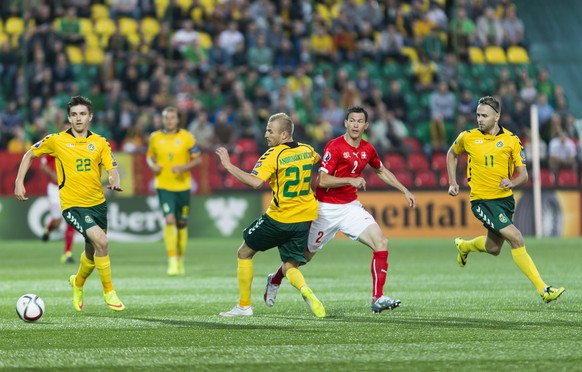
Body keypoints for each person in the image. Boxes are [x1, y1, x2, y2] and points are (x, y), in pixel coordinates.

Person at [264, 106, 417, 314]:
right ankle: (274, 279)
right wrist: (350, 180)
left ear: (366, 125)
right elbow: (322, 180)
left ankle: (378, 297)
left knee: (381, 242)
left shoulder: (367, 149)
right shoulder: (334, 147)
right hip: (325, 210)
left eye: (359, 121)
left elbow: (380, 169)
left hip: (350, 207)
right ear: (345, 123)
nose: (355, 124)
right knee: (301, 259)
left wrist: (404, 190)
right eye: (351, 120)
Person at [446, 96, 565, 303]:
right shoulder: (468, 137)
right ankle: (543, 289)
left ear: (497, 116)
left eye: (484, 115)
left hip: (505, 201)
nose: (479, 119)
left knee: (493, 248)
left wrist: (512, 182)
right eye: (477, 115)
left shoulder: (512, 140)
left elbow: (524, 175)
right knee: (516, 238)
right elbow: (451, 154)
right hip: (482, 200)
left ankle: (464, 246)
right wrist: (452, 182)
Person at [14, 96, 125, 311]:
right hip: (72, 205)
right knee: (102, 242)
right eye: (74, 114)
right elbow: (30, 154)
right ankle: (109, 290)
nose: (78, 118)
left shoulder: (100, 142)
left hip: (98, 205)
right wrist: (19, 181)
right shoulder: (57, 140)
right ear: (69, 117)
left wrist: (114, 179)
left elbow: (112, 169)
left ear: (90, 116)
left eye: (82, 114)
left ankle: (78, 282)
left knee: (92, 254)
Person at [216, 113, 325, 318]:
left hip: (279, 217)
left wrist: (229, 166)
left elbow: (256, 182)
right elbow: (321, 160)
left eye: (270, 131)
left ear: (284, 134)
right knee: (290, 265)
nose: (266, 134)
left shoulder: (273, 154)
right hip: (304, 218)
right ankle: (304, 289)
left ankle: (244, 306)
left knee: (244, 252)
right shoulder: (307, 150)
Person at [146, 106, 202, 276]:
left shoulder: (187, 137)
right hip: (164, 185)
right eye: (166, 117)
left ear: (178, 120)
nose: (169, 120)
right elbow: (149, 156)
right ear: (163, 120)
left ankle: (180, 259)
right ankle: (171, 260)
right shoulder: (155, 137)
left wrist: (184, 167)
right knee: (169, 220)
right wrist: (152, 166)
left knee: (181, 223)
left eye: (172, 117)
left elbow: (198, 159)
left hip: (183, 186)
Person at [40, 154, 77, 264]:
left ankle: (67, 254)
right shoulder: (56, 147)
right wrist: (53, 175)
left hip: (69, 188)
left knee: (71, 219)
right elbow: (42, 165)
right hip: (55, 189)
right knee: (57, 221)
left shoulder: (75, 148)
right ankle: (48, 229)